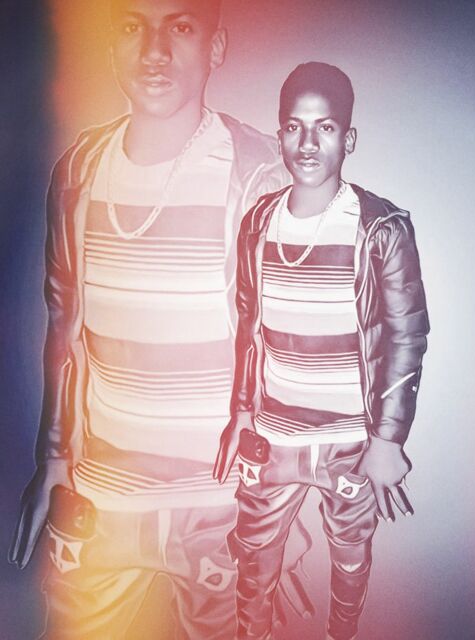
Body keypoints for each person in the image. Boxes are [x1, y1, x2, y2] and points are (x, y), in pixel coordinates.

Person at [8, 1, 298, 638]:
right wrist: (54, 460)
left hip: (222, 512)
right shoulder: (80, 170)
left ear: (215, 47)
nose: (155, 51)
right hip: (101, 504)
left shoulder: (260, 174)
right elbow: (64, 324)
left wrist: (284, 500)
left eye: (181, 27)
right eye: (132, 27)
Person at [214, 62, 430, 640]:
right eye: (294, 126)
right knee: (253, 562)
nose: (307, 142)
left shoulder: (380, 228)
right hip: (273, 437)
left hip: (350, 443)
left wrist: (388, 440)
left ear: (348, 139)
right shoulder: (259, 222)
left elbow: (407, 336)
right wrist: (241, 413)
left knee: (350, 558)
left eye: (325, 127)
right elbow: (248, 325)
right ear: (280, 133)